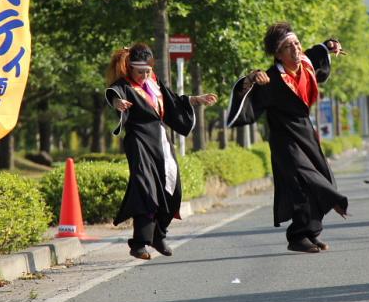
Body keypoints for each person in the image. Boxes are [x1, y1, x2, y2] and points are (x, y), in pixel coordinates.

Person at [227, 21, 347, 254]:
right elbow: (246, 107)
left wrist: (329, 45)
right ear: (278, 55)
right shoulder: (270, 79)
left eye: (296, 43)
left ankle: (309, 233)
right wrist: (251, 80)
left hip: (306, 133)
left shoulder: (306, 65)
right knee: (305, 184)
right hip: (285, 139)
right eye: (288, 47)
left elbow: (316, 52)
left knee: (325, 179)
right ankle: (297, 237)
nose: (295, 49)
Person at [105, 43, 217, 260]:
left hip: (162, 141)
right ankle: (139, 244)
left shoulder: (154, 83)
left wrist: (196, 100)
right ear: (129, 68)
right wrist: (117, 102)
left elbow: (173, 100)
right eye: (140, 72)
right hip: (139, 142)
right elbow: (112, 94)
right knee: (146, 189)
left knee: (173, 189)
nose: (145, 75)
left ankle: (159, 235)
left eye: (148, 71)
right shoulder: (124, 85)